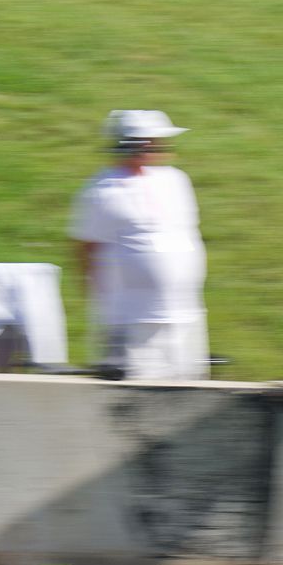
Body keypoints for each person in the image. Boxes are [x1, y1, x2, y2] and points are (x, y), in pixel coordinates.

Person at [69, 110, 208, 381]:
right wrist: (98, 297)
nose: (162, 148)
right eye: (154, 142)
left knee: (188, 384)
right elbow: (85, 246)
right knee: (135, 390)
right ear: (137, 145)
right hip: (131, 316)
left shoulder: (176, 180)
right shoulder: (100, 189)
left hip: (185, 311)